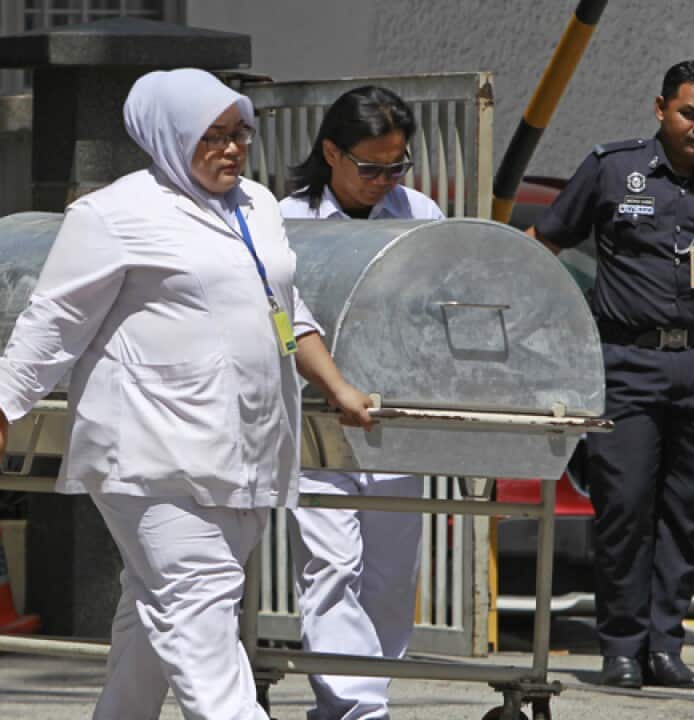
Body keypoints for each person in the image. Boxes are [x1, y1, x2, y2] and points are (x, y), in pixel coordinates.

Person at [0, 67, 375, 720]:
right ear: (169, 136)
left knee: (155, 615)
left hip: (245, 450)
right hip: (151, 454)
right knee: (197, 608)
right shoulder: (113, 215)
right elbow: (53, 322)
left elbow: (284, 305)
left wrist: (337, 386)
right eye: (212, 136)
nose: (232, 149)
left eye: (240, 133)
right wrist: (0, 410)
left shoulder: (256, 207)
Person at [527, 60, 694, 690]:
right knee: (625, 506)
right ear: (661, 107)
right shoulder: (613, 168)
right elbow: (543, 242)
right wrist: (540, 321)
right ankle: (621, 649)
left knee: (688, 512)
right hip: (627, 364)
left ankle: (666, 647)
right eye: (690, 113)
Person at [279, 85, 444, 720]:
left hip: (392, 413)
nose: (382, 181)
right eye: (369, 167)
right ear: (331, 153)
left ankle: (358, 694)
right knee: (330, 563)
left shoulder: (419, 213)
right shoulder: (289, 220)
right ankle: (356, 707)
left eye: (395, 166)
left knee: (391, 572)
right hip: (317, 415)